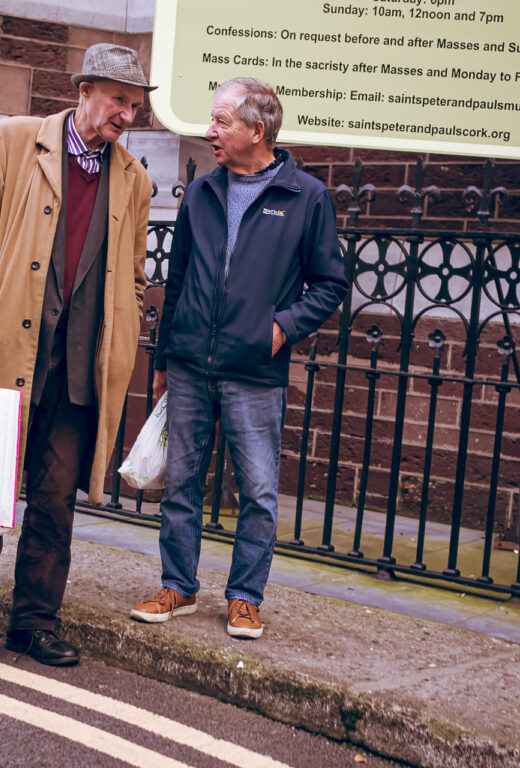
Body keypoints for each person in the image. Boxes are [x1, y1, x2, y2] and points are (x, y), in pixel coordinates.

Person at [0, 44, 155, 669]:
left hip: (80, 366)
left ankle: (34, 622)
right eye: (119, 101)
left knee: (56, 501)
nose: (127, 116)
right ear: (85, 90)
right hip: (7, 346)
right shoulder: (12, 141)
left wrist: (125, 324)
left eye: (135, 106)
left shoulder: (134, 178)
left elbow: (136, 274)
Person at [131, 77, 348, 639]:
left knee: (257, 491)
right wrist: (162, 356)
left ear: (258, 129)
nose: (210, 131)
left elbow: (329, 284)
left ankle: (245, 596)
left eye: (222, 121)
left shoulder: (306, 197)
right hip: (187, 365)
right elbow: (175, 282)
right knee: (181, 483)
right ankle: (177, 586)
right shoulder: (202, 192)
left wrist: (282, 329)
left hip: (255, 368)